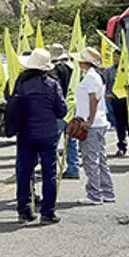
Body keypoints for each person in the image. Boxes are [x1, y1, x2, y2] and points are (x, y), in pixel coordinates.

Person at [6, 48, 67, 225]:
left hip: (25, 133)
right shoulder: (52, 84)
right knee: (49, 174)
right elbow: (62, 110)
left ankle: (24, 211)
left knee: (24, 172)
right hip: (47, 133)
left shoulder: (21, 83)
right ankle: (48, 212)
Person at [75, 48, 115, 206]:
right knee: (100, 158)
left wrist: (89, 120)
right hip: (99, 122)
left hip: (92, 123)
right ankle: (107, 192)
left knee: (91, 160)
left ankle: (94, 194)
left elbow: (94, 98)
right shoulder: (96, 75)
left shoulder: (91, 77)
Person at [48, 43, 79, 179]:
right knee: (71, 140)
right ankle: (73, 167)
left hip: (60, 108)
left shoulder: (56, 69)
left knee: (52, 140)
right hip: (72, 106)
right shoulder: (72, 67)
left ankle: (51, 168)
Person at [104, 47, 129, 158]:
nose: (116, 59)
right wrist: (108, 94)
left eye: (118, 57)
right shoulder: (109, 70)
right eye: (114, 57)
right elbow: (105, 84)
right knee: (119, 125)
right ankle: (121, 147)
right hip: (117, 100)